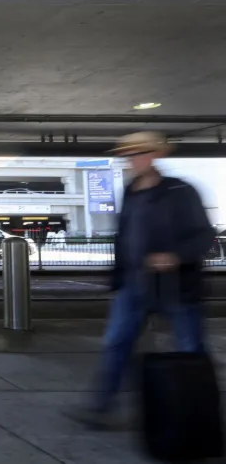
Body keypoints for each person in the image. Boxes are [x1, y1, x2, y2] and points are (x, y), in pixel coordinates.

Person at [71, 131, 214, 429]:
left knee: (190, 348)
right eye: (129, 155)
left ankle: (198, 413)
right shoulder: (130, 191)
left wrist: (175, 256)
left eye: (140, 154)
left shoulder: (180, 191)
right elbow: (123, 239)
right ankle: (100, 406)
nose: (133, 160)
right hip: (135, 286)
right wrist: (117, 280)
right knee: (116, 343)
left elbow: (204, 236)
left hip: (177, 287)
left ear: (156, 156)